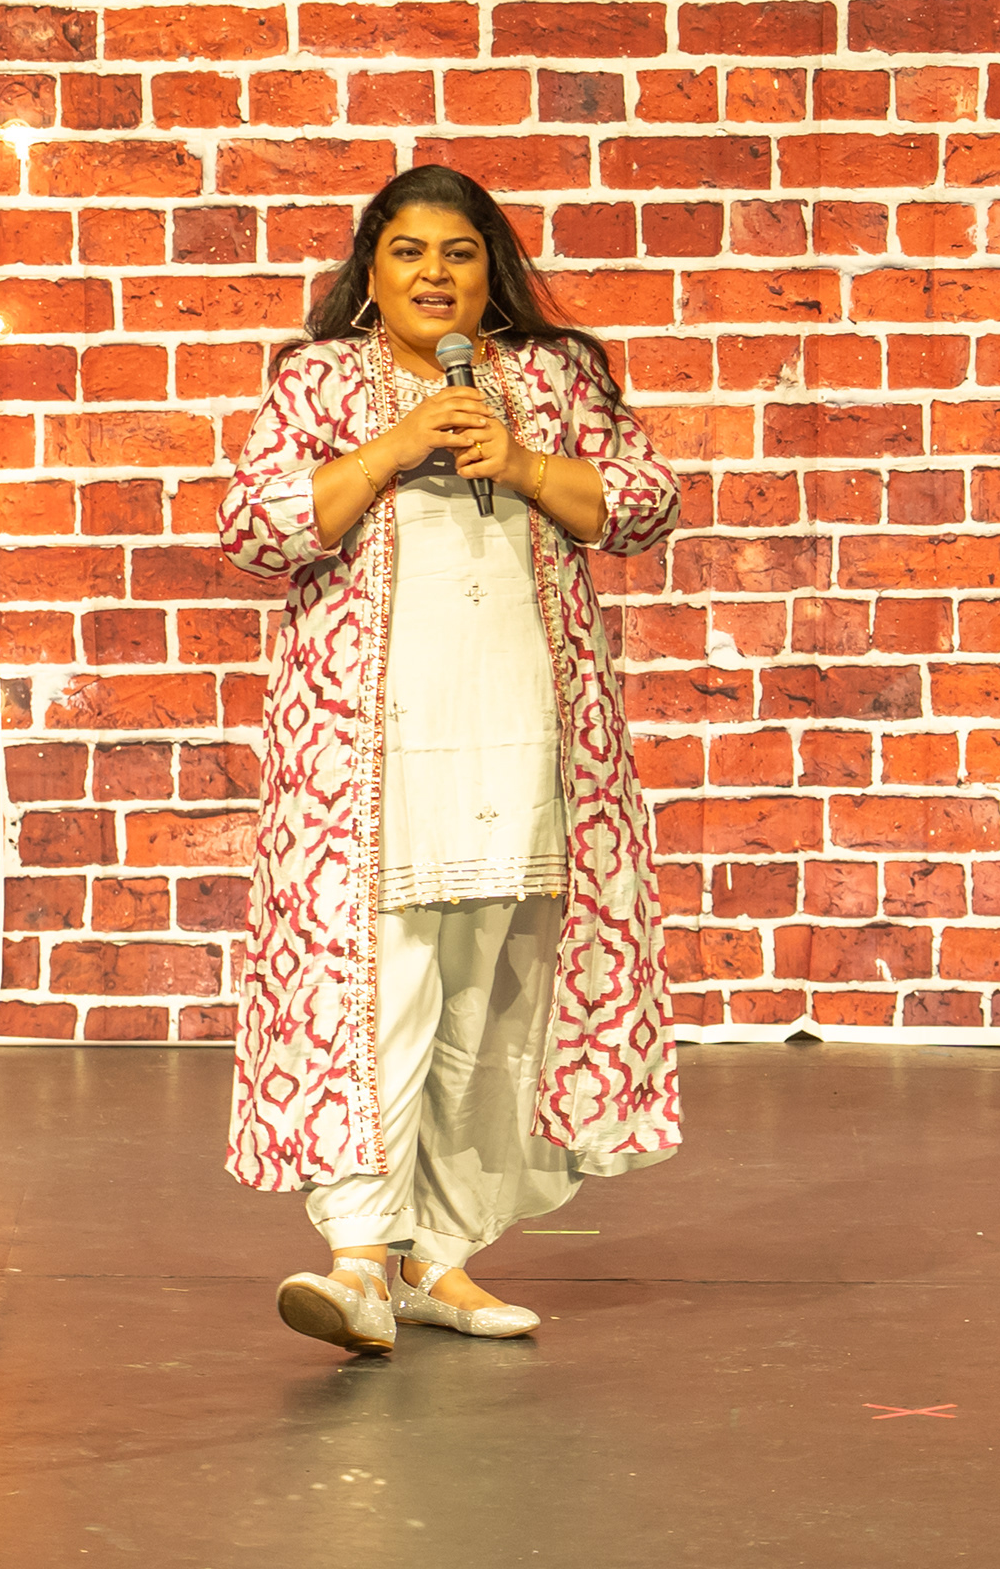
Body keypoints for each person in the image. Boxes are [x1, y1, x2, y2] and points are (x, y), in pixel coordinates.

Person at [213, 164, 682, 1356]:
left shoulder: (551, 377)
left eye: (460, 252)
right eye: (410, 252)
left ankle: (439, 1255)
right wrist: (394, 445)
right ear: (371, 272)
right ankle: (358, 1256)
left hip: (528, 733)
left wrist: (521, 462)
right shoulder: (320, 380)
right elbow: (256, 527)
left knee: (493, 988)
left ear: (490, 269)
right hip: (369, 753)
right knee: (383, 981)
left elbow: (643, 506)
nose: (436, 274)